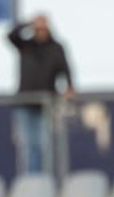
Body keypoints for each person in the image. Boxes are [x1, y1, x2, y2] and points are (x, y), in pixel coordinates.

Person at [8, 15, 75, 174]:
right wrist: (29, 23)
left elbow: (65, 69)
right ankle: (32, 180)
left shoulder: (56, 48)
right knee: (28, 145)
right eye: (37, 28)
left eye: (43, 28)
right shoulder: (26, 45)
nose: (40, 31)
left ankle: (44, 180)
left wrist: (70, 86)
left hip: (45, 105)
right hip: (24, 103)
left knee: (43, 144)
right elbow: (11, 36)